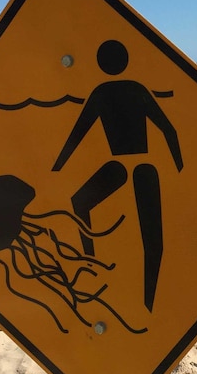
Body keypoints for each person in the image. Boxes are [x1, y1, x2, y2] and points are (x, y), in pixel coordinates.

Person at [53, 39, 183, 312]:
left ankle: (91, 261)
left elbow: (76, 135)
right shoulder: (137, 89)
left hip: (118, 168)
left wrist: (58, 165)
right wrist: (178, 166)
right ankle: (150, 301)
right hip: (145, 168)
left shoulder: (100, 93)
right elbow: (169, 130)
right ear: (125, 60)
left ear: (102, 63)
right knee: (153, 241)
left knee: (79, 203)